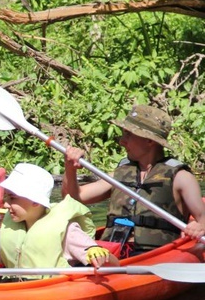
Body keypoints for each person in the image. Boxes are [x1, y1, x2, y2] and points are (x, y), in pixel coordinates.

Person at [0, 163, 119, 282]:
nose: (6, 204)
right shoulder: (10, 228)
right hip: (17, 288)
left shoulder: (67, 230)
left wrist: (100, 253)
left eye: (13, 199)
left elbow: (114, 265)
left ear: (35, 201)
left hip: (51, 291)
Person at [63, 104, 205, 255]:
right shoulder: (119, 174)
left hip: (154, 254)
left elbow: (203, 218)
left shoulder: (181, 177)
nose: (122, 141)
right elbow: (73, 197)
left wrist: (199, 226)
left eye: (129, 134)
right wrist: (70, 168)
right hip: (111, 251)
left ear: (149, 141)